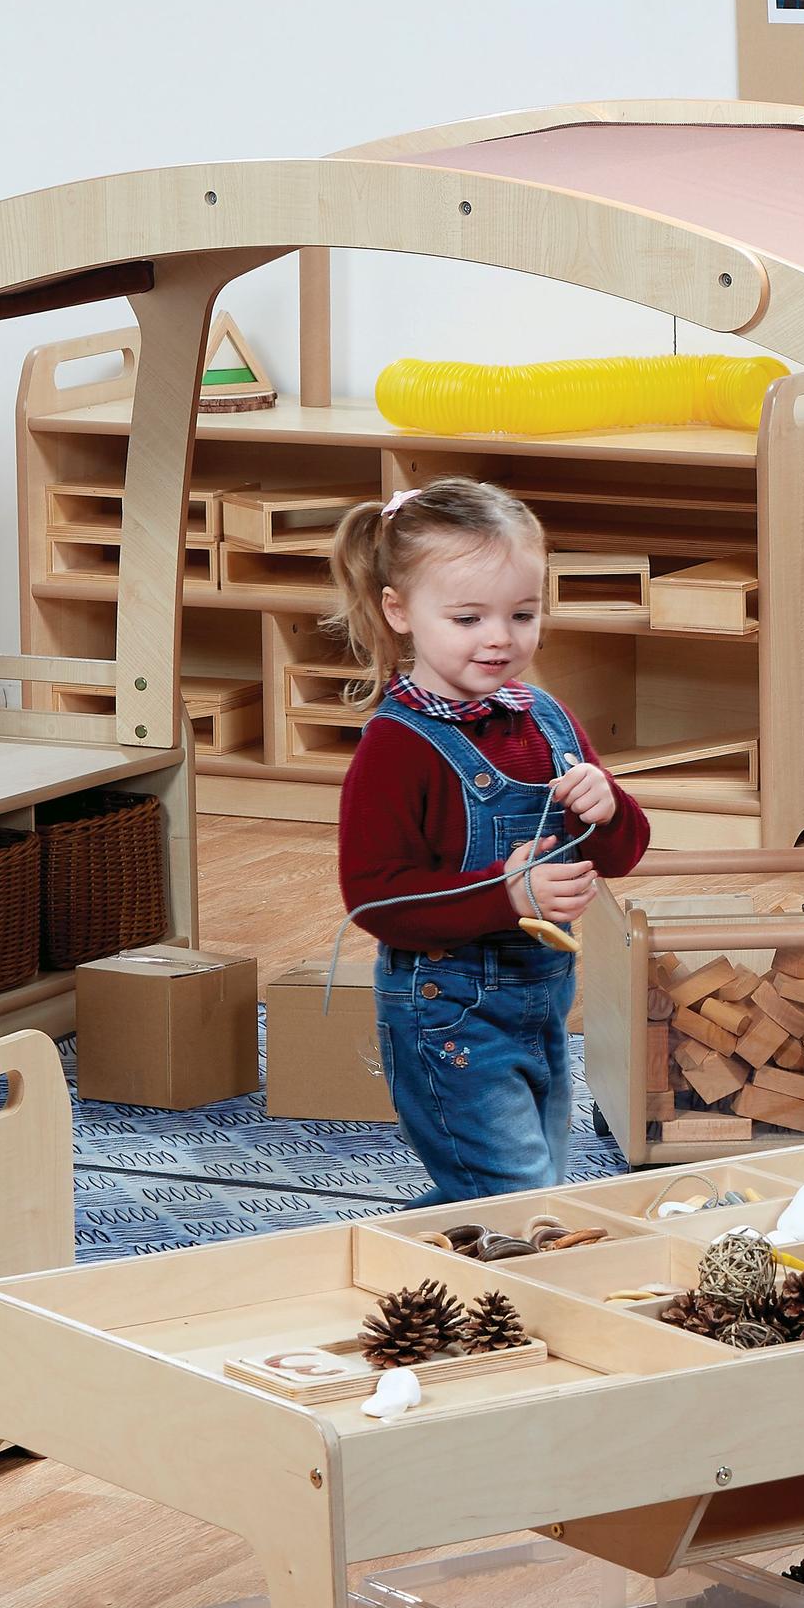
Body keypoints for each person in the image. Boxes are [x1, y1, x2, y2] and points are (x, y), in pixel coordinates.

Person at [330, 479, 650, 1203]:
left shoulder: (546, 718)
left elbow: (623, 853)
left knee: (522, 1193)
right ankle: (386, 1265)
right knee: (519, 1197)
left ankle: (414, 1272)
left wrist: (609, 808)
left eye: (522, 613)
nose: (500, 636)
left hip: (541, 1011)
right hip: (445, 1016)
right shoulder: (396, 746)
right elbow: (374, 898)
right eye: (468, 617)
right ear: (399, 611)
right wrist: (507, 895)